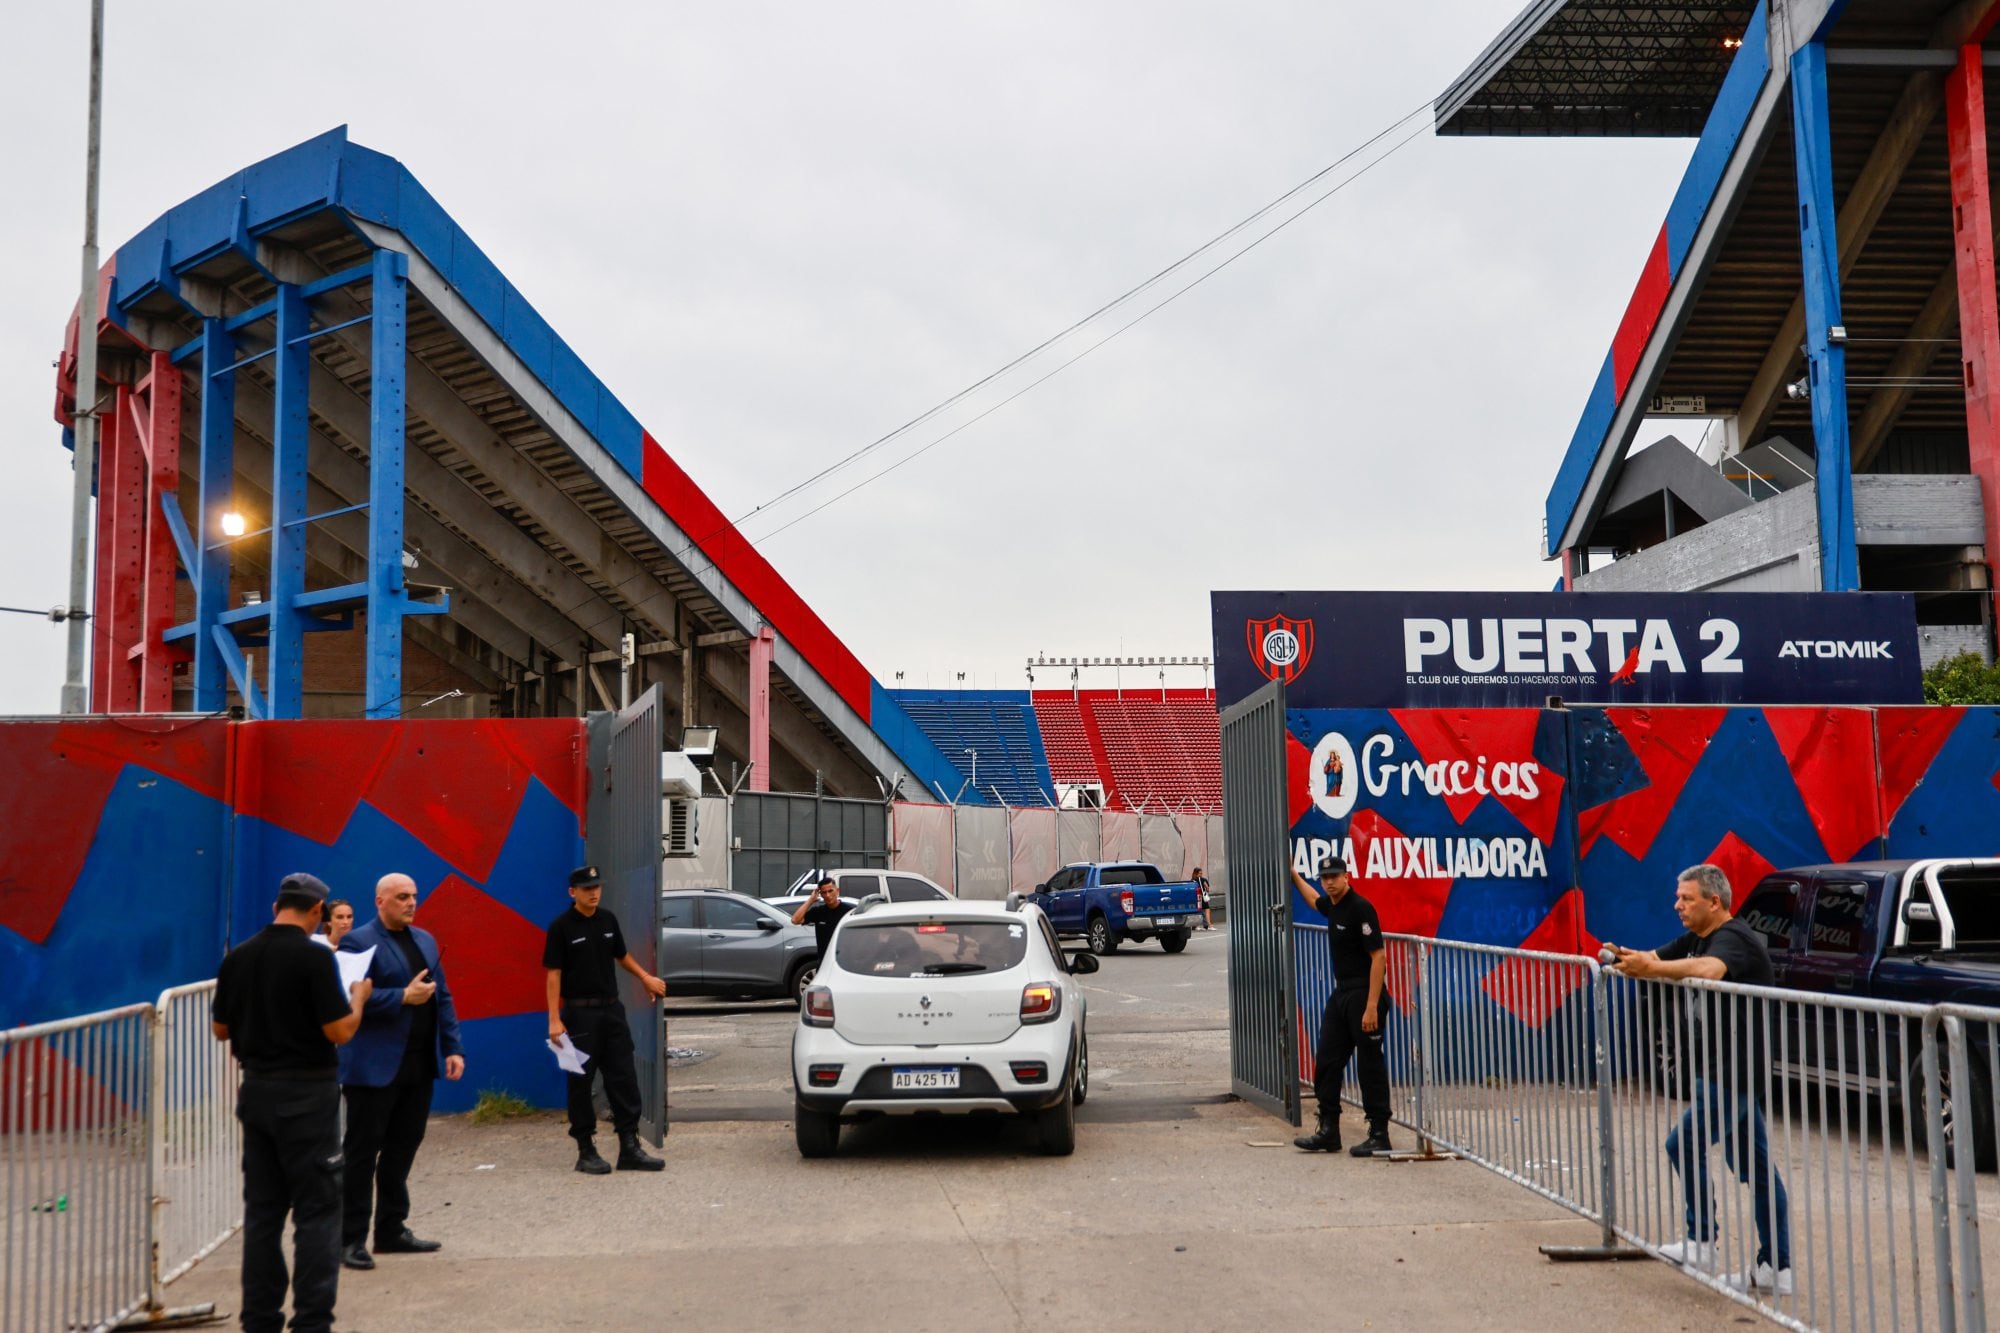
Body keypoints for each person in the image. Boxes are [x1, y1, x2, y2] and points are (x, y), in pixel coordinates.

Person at [1608, 863, 1793, 1295]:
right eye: (1678, 898)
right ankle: (1777, 1269)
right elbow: (1657, 957)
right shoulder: (1698, 937)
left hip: (1734, 1075)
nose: (1678, 905)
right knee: (1759, 1171)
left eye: (1686, 898)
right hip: (1719, 1072)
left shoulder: (1734, 939)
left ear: (1715, 901)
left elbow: (1709, 970)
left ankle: (1701, 1242)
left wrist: (1650, 971)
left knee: (1683, 1142)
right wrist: (1626, 959)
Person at [210, 872, 372, 1333]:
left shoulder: (238, 956)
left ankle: (259, 1319)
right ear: (318, 911)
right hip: (308, 1095)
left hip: (257, 1090)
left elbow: (221, 1029)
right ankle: (311, 1322)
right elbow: (339, 1031)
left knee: (263, 1214)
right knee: (317, 1213)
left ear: (276, 905)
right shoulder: (314, 958)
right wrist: (358, 999)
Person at [335, 873, 464, 1272]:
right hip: (374, 1065)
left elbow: (441, 995)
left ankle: (391, 1228)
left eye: (414, 896)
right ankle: (350, 1239)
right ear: (380, 901)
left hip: (418, 1062)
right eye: (402, 897)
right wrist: (401, 997)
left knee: (403, 1147)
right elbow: (347, 996)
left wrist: (453, 1046)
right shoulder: (358, 941)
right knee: (361, 1152)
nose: (411, 903)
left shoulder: (424, 939)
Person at [544, 865, 668, 1174]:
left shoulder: (608, 919)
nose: (594, 892)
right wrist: (554, 1020)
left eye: (597, 887)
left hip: (612, 1011)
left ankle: (629, 1147)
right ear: (573, 892)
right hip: (579, 1014)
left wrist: (645, 978)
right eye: (587, 889)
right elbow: (553, 974)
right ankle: (585, 1150)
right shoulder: (561, 927)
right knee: (581, 1082)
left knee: (623, 1077)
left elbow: (621, 955)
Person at [1287, 856, 1392, 1157]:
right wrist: (1293, 874)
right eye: (1325, 877)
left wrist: (1372, 1006)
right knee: (1328, 1060)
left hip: (1364, 994)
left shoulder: (1361, 907)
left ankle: (1379, 1132)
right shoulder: (1332, 905)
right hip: (1342, 994)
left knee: (1369, 1064)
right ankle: (1329, 1130)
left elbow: (1379, 958)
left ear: (1346, 876)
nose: (1329, 882)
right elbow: (1313, 899)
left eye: (1334, 876)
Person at [791, 875, 853, 962]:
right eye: (824, 892)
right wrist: (811, 900)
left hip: (843, 961)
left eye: (830, 891)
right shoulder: (818, 912)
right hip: (824, 961)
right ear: (820, 894)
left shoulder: (849, 912)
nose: (828, 895)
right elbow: (795, 920)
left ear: (837, 891)